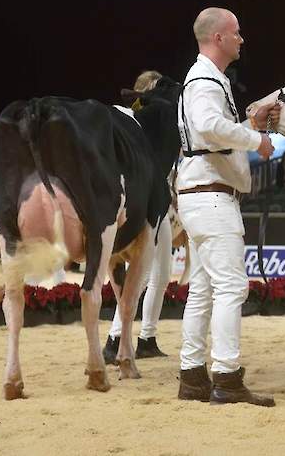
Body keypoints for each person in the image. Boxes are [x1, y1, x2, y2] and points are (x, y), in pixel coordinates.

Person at [176, 6, 279, 406]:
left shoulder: (205, 78)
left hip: (200, 196)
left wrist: (250, 126)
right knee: (232, 287)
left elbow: (212, 133)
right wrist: (256, 140)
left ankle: (192, 376)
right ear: (218, 37)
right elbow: (207, 126)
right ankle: (227, 376)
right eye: (236, 32)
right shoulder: (204, 80)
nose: (241, 39)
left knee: (203, 289)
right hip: (212, 197)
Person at [103, 70, 176, 362]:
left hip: (161, 198)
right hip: (141, 201)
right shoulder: (136, 119)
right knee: (141, 275)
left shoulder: (161, 115)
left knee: (163, 272)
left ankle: (147, 336)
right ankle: (114, 338)